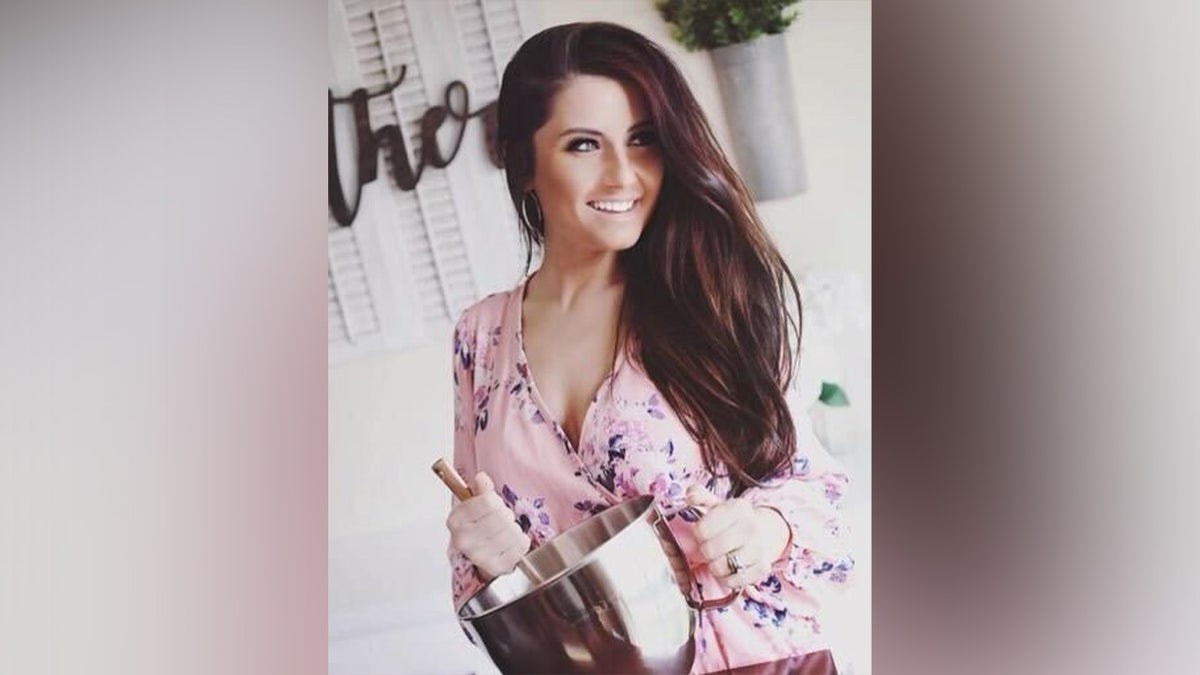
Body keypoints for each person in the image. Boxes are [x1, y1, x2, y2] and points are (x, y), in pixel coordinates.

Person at [444, 21, 853, 673]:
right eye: (584, 144)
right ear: (524, 163)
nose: (623, 174)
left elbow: (817, 489)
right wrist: (485, 554)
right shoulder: (479, 338)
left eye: (642, 141)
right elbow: (489, 591)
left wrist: (762, 528)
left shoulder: (714, 294)